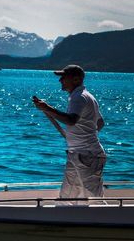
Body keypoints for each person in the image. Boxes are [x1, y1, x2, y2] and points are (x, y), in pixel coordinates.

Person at [33, 64, 106, 203]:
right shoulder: (88, 96)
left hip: (87, 156)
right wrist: (84, 137)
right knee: (67, 198)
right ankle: (65, 220)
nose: (60, 80)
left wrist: (47, 108)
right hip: (79, 154)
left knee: (94, 200)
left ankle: (106, 221)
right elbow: (100, 123)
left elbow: (71, 120)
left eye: (64, 77)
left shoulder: (78, 97)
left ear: (76, 80)